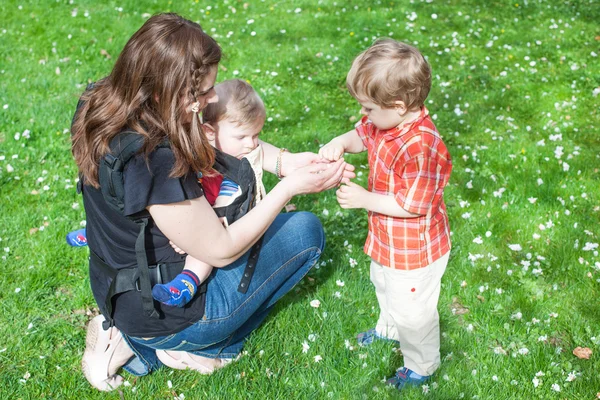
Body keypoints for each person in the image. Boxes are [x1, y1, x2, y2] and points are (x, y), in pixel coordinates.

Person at [71, 13, 353, 391]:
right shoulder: (153, 159)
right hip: (168, 311)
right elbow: (220, 251)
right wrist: (289, 188)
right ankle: (182, 347)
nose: (211, 98)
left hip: (118, 288)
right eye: (200, 92)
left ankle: (135, 341)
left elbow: (208, 138)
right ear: (163, 91)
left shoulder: (102, 103)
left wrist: (283, 162)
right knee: (305, 232)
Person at [319, 38, 452, 391]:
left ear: (397, 105)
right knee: (383, 285)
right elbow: (361, 136)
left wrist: (365, 198)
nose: (364, 116)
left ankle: (422, 363)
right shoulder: (386, 122)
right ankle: (390, 331)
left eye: (368, 108)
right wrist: (340, 142)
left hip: (415, 251)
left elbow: (413, 205)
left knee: (413, 310)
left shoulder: (422, 147)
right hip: (388, 242)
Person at [152, 79, 269, 308]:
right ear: (208, 131)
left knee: (202, 254)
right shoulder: (199, 147)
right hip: (183, 212)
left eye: (256, 135)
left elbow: (224, 211)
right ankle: (98, 230)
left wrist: (191, 233)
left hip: (209, 225)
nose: (252, 144)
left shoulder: (235, 175)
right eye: (242, 137)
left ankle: (187, 282)